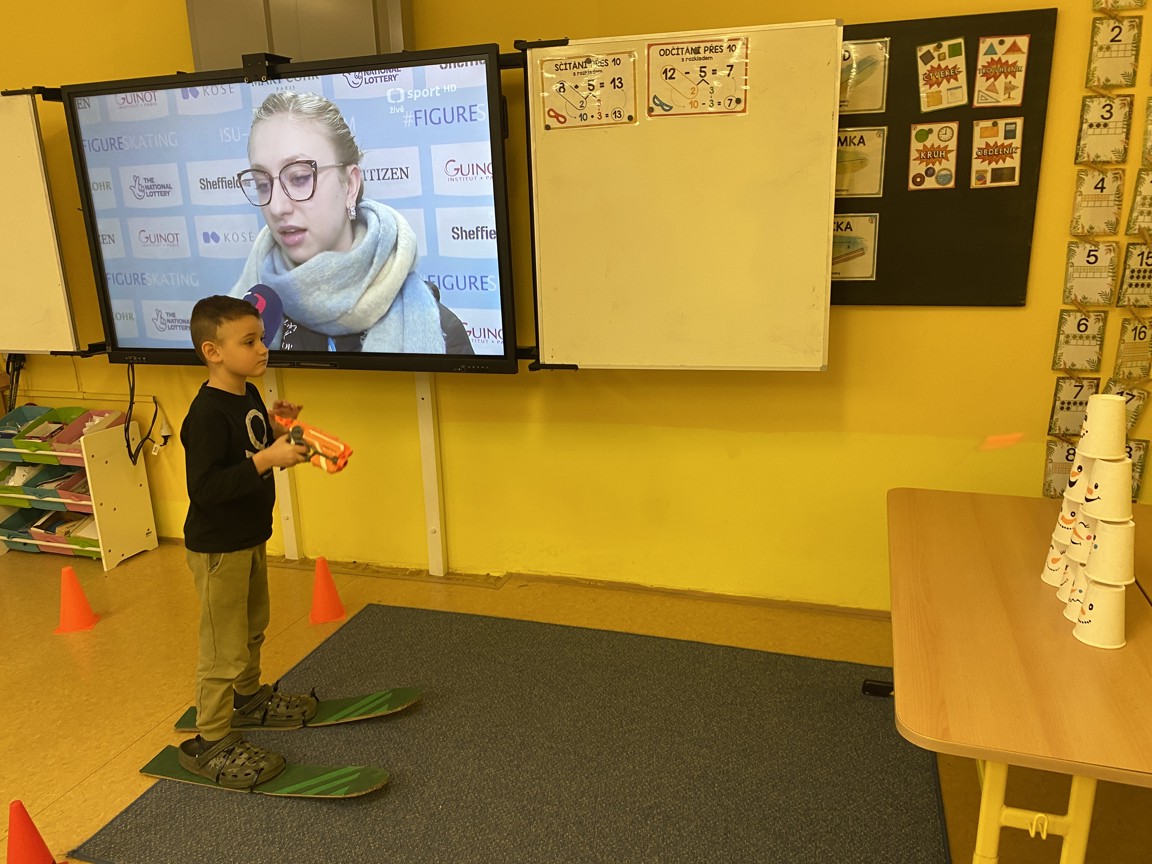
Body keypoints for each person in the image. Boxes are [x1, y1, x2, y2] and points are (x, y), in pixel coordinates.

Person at [178, 294, 315, 788]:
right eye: (249, 341)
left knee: (254, 626)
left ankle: (248, 698)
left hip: (250, 536)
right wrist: (266, 460)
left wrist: (278, 429)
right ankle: (210, 740)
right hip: (219, 548)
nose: (263, 349)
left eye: (262, 338)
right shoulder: (206, 415)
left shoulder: (248, 395)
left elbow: (251, 444)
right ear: (213, 351)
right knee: (223, 647)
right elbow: (206, 488)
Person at [230, 90, 473, 354]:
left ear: (350, 185)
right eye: (262, 184)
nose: (277, 207)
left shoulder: (442, 332)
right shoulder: (244, 321)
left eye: (299, 178)